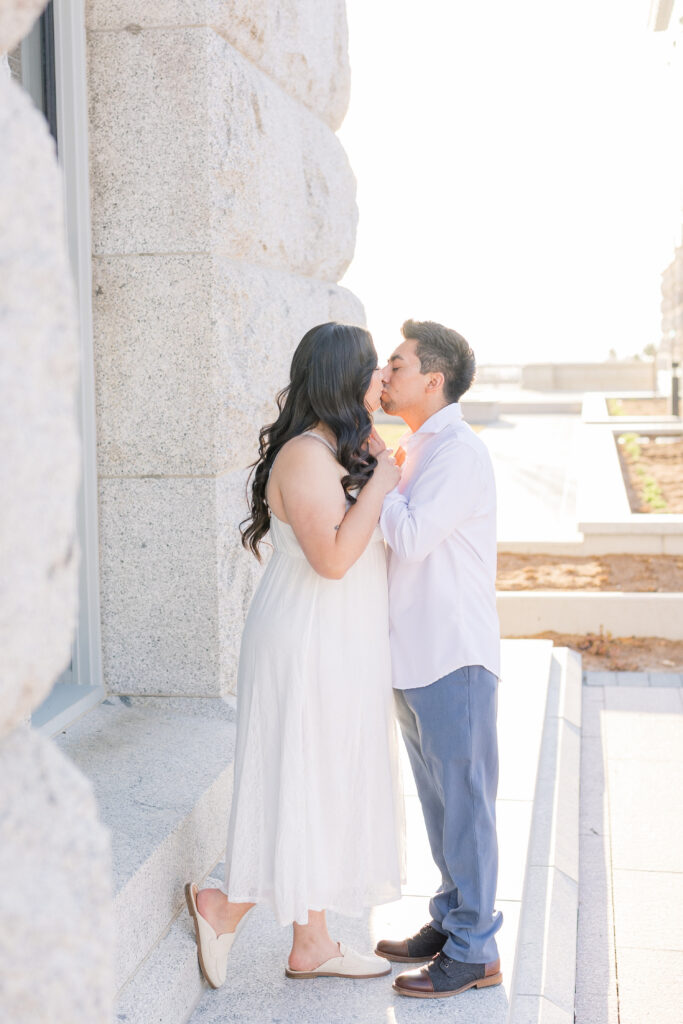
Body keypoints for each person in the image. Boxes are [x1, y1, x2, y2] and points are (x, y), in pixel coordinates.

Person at [185, 322, 404, 989]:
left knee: (321, 777)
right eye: (374, 368)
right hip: (306, 638)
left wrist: (373, 463)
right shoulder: (306, 455)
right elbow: (332, 559)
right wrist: (382, 480)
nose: (382, 379)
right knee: (304, 774)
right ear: (344, 376)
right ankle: (225, 905)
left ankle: (311, 944)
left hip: (334, 638)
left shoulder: (335, 449)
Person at [373, 319, 503, 1000]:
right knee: (440, 804)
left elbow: (414, 536)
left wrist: (378, 474)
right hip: (414, 655)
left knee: (466, 805)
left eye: (396, 363)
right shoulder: (419, 448)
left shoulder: (457, 452)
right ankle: (452, 920)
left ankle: (475, 949)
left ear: (433, 379)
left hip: (454, 655)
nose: (384, 372)